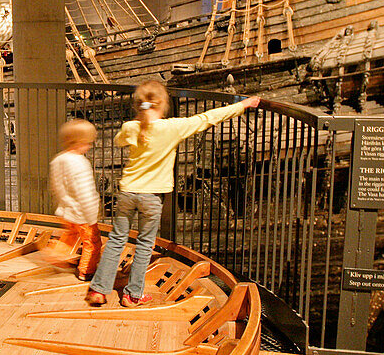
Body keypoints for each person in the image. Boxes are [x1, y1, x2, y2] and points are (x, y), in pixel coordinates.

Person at [85, 81, 259, 307]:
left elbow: (119, 140)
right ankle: (132, 294)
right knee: (145, 244)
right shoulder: (173, 127)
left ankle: (99, 290)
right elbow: (207, 118)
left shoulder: (130, 127)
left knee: (117, 240)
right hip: (153, 196)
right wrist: (243, 104)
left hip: (127, 192)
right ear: (163, 104)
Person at [49, 119, 102, 280]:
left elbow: (57, 186)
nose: (90, 146)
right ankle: (87, 271)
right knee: (92, 243)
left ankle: (56, 256)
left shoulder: (58, 160)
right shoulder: (81, 163)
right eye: (89, 142)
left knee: (70, 236)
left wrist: (64, 204)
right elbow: (85, 193)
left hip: (67, 210)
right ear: (80, 142)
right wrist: (92, 215)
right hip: (82, 213)